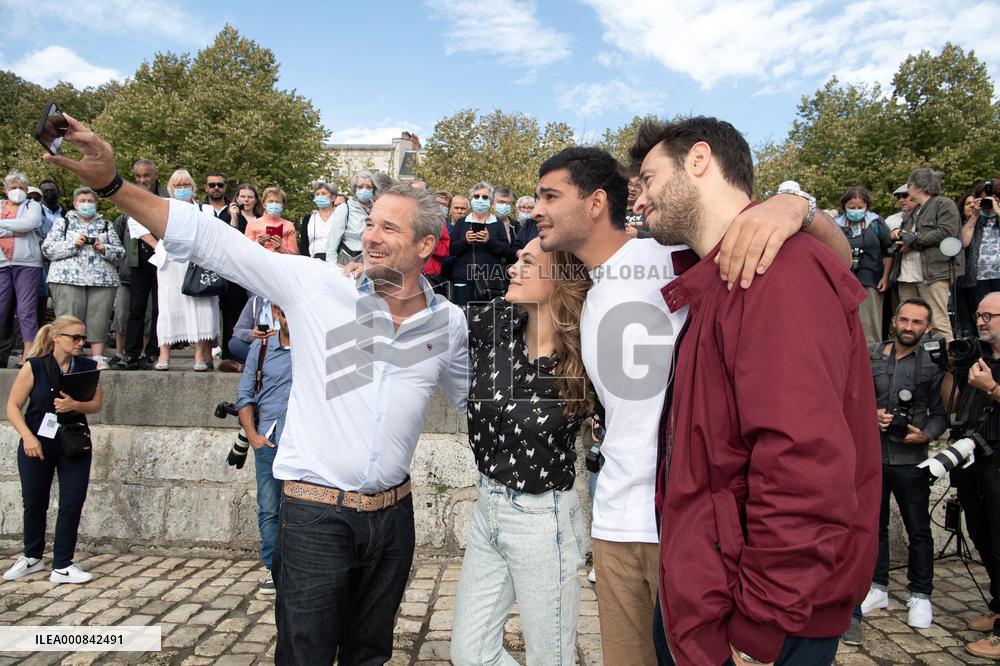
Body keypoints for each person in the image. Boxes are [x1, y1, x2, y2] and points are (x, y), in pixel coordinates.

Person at [42, 114, 472, 664]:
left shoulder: (448, 324)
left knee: (370, 655)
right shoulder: (316, 287)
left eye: (389, 227)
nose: (370, 236)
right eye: (369, 223)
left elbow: (473, 400)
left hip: (394, 522)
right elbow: (212, 241)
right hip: (314, 517)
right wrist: (112, 185)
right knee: (304, 655)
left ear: (425, 245)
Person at [531, 144, 851, 666]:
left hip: (683, 531)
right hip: (613, 524)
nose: (534, 208)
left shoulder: (669, 257)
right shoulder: (581, 290)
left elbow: (835, 261)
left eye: (549, 195)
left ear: (594, 203)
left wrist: (794, 208)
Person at [629, 116, 879, 666]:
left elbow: (803, 462)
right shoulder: (722, 276)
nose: (641, 201)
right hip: (712, 589)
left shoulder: (774, 271)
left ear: (698, 160)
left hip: (759, 615)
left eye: (648, 179)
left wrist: (762, 623)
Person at [450, 238, 592, 665]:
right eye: (515, 260)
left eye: (527, 262)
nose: (513, 268)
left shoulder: (587, 351)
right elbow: (426, 315)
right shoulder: (493, 324)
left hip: (544, 521)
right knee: (470, 654)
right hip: (487, 507)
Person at [858, 299, 945, 633]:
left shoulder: (935, 364)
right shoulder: (872, 354)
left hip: (912, 460)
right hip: (874, 456)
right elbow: (853, 396)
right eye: (904, 320)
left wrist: (926, 435)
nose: (909, 327)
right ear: (893, 320)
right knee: (873, 526)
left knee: (918, 529)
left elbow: (941, 413)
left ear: (927, 327)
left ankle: (921, 593)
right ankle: (877, 587)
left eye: (917, 323)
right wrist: (871, 415)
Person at [2, 316, 103, 584]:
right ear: (56, 337)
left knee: (72, 501)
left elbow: (96, 404)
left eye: (84, 338)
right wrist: (27, 437)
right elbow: (13, 406)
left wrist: (75, 406)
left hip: (74, 441)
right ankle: (32, 556)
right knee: (34, 501)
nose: (81, 343)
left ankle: (62, 564)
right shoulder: (34, 367)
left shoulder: (87, 367)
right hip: (38, 442)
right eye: (75, 338)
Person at [942, 291, 1000, 659]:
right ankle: (998, 605)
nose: (981, 322)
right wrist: (953, 369)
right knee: (982, 535)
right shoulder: (977, 358)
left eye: (990, 316)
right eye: (979, 316)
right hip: (972, 457)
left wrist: (992, 388)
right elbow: (955, 401)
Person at [237, 301, 292, 594]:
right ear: (277, 315)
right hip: (269, 438)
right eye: (285, 313)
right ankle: (273, 568)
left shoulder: (316, 348)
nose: (290, 319)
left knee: (301, 509)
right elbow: (245, 395)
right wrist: (253, 436)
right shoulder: (261, 349)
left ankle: (297, 567)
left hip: (303, 441)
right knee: (270, 508)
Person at [42, 188, 124, 369]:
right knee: (68, 319)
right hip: (67, 278)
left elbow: (120, 253)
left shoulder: (106, 225)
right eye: (83, 200)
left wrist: (103, 248)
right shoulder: (62, 222)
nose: (86, 204)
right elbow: (48, 249)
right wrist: (73, 244)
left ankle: (97, 357)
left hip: (102, 280)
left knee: (99, 318)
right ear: (75, 204)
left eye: (90, 200)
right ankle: (64, 358)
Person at [153, 169, 219, 371]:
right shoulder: (163, 207)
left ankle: (199, 357)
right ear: (171, 189)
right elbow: (142, 226)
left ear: (193, 187)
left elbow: (213, 234)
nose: (182, 189)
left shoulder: (206, 210)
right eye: (177, 186)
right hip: (170, 264)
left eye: (185, 185)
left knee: (199, 307)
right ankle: (164, 355)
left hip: (195, 263)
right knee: (168, 306)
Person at [889, 168, 964, 341]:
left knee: (938, 321)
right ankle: (912, 363)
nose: (907, 190)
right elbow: (904, 236)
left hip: (932, 274)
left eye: (909, 185)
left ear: (919, 187)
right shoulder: (914, 212)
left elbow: (946, 232)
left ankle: (949, 365)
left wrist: (912, 240)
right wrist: (896, 234)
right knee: (908, 325)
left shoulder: (944, 204)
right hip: (906, 275)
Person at [114, 159, 164, 370]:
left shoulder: (166, 197)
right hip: (137, 258)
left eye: (146, 175)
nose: (142, 180)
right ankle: (131, 353)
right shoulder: (129, 196)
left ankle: (153, 351)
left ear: (155, 174)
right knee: (136, 308)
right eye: (138, 176)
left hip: (162, 257)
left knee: (159, 308)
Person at [835, 186, 894, 344]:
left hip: (871, 279)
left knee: (870, 324)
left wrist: (885, 277)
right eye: (851, 207)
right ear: (844, 206)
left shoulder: (876, 223)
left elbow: (889, 251)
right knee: (843, 322)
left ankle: (873, 359)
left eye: (860, 207)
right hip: (844, 282)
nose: (856, 211)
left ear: (867, 206)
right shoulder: (835, 224)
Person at [0, 172, 44, 366]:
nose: (16, 191)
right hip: (2, 264)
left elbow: (30, 224)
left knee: (26, 310)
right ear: (5, 190)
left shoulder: (33, 206)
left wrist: (2, 227)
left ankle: (29, 353)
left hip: (27, 264)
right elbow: (23, 227)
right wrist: (15, 230)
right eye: (12, 187)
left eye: (21, 188)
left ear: (26, 190)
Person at [449, 182, 511, 307]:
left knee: (488, 319)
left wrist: (489, 241)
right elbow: (451, 249)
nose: (480, 200)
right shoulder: (462, 222)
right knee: (464, 316)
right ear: (471, 199)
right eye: (476, 196)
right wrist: (465, 242)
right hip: (463, 278)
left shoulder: (497, 223)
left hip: (490, 281)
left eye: (485, 197)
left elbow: (506, 251)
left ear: (491, 201)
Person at [957, 180, 1000, 338]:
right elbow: (963, 243)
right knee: (982, 316)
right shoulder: (974, 221)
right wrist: (975, 216)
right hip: (978, 278)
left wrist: (997, 209)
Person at [325, 171, 374, 262]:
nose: (364, 190)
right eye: (360, 186)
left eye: (368, 187)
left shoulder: (377, 209)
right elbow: (333, 241)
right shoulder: (344, 209)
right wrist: (332, 267)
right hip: (348, 258)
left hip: (372, 260)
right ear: (355, 188)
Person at [245, 186, 298, 255]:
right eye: (271, 201)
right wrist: (258, 242)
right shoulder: (252, 224)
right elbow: (246, 250)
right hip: (259, 261)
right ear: (264, 204)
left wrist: (280, 247)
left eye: (278, 202)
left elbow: (294, 253)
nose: (274, 204)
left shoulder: (289, 225)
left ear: (282, 205)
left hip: (281, 262)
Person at [299, 182, 338, 261]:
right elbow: (303, 244)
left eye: (323, 193)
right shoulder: (308, 219)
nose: (320, 196)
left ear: (333, 198)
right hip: (312, 262)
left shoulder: (339, 217)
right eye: (317, 194)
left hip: (335, 262)